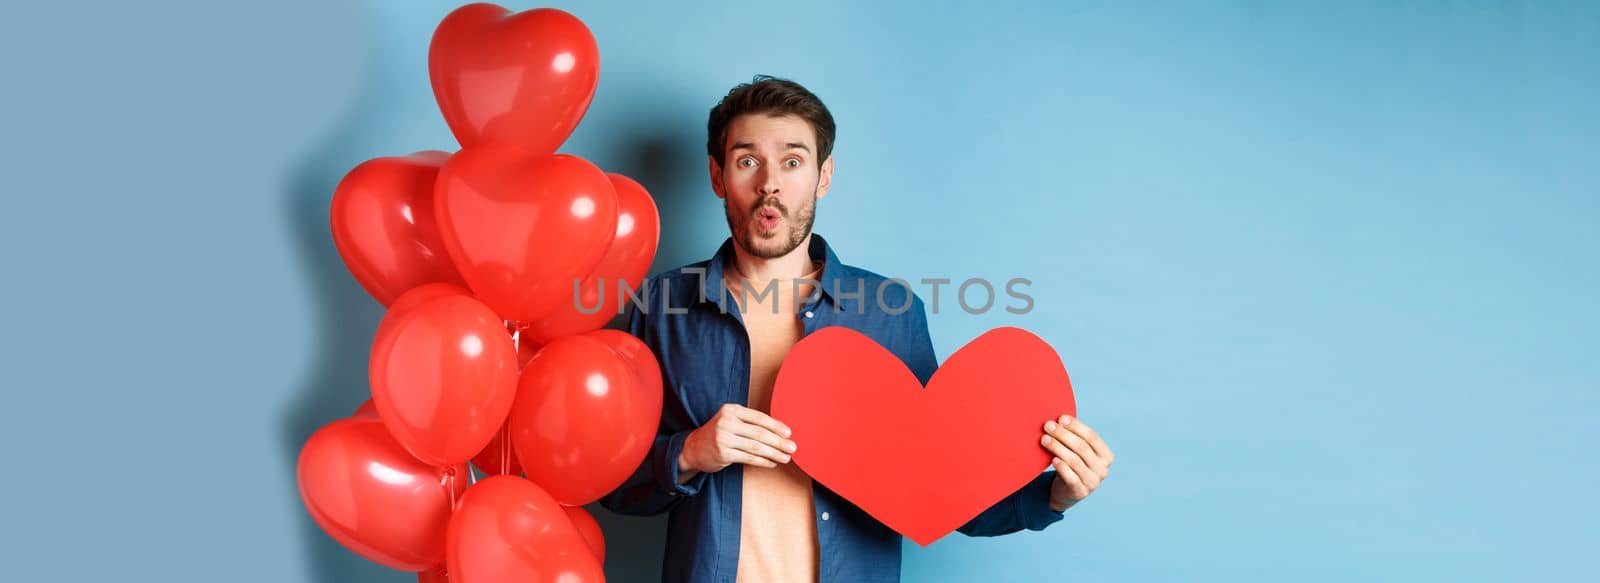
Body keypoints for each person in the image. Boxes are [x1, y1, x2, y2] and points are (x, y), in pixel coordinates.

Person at [600, 75, 1114, 583]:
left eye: (793, 161)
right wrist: (690, 452)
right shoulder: (663, 307)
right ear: (718, 176)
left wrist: (1053, 496)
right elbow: (616, 484)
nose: (769, 183)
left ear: (824, 176)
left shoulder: (891, 313)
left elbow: (941, 489)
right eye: (748, 161)